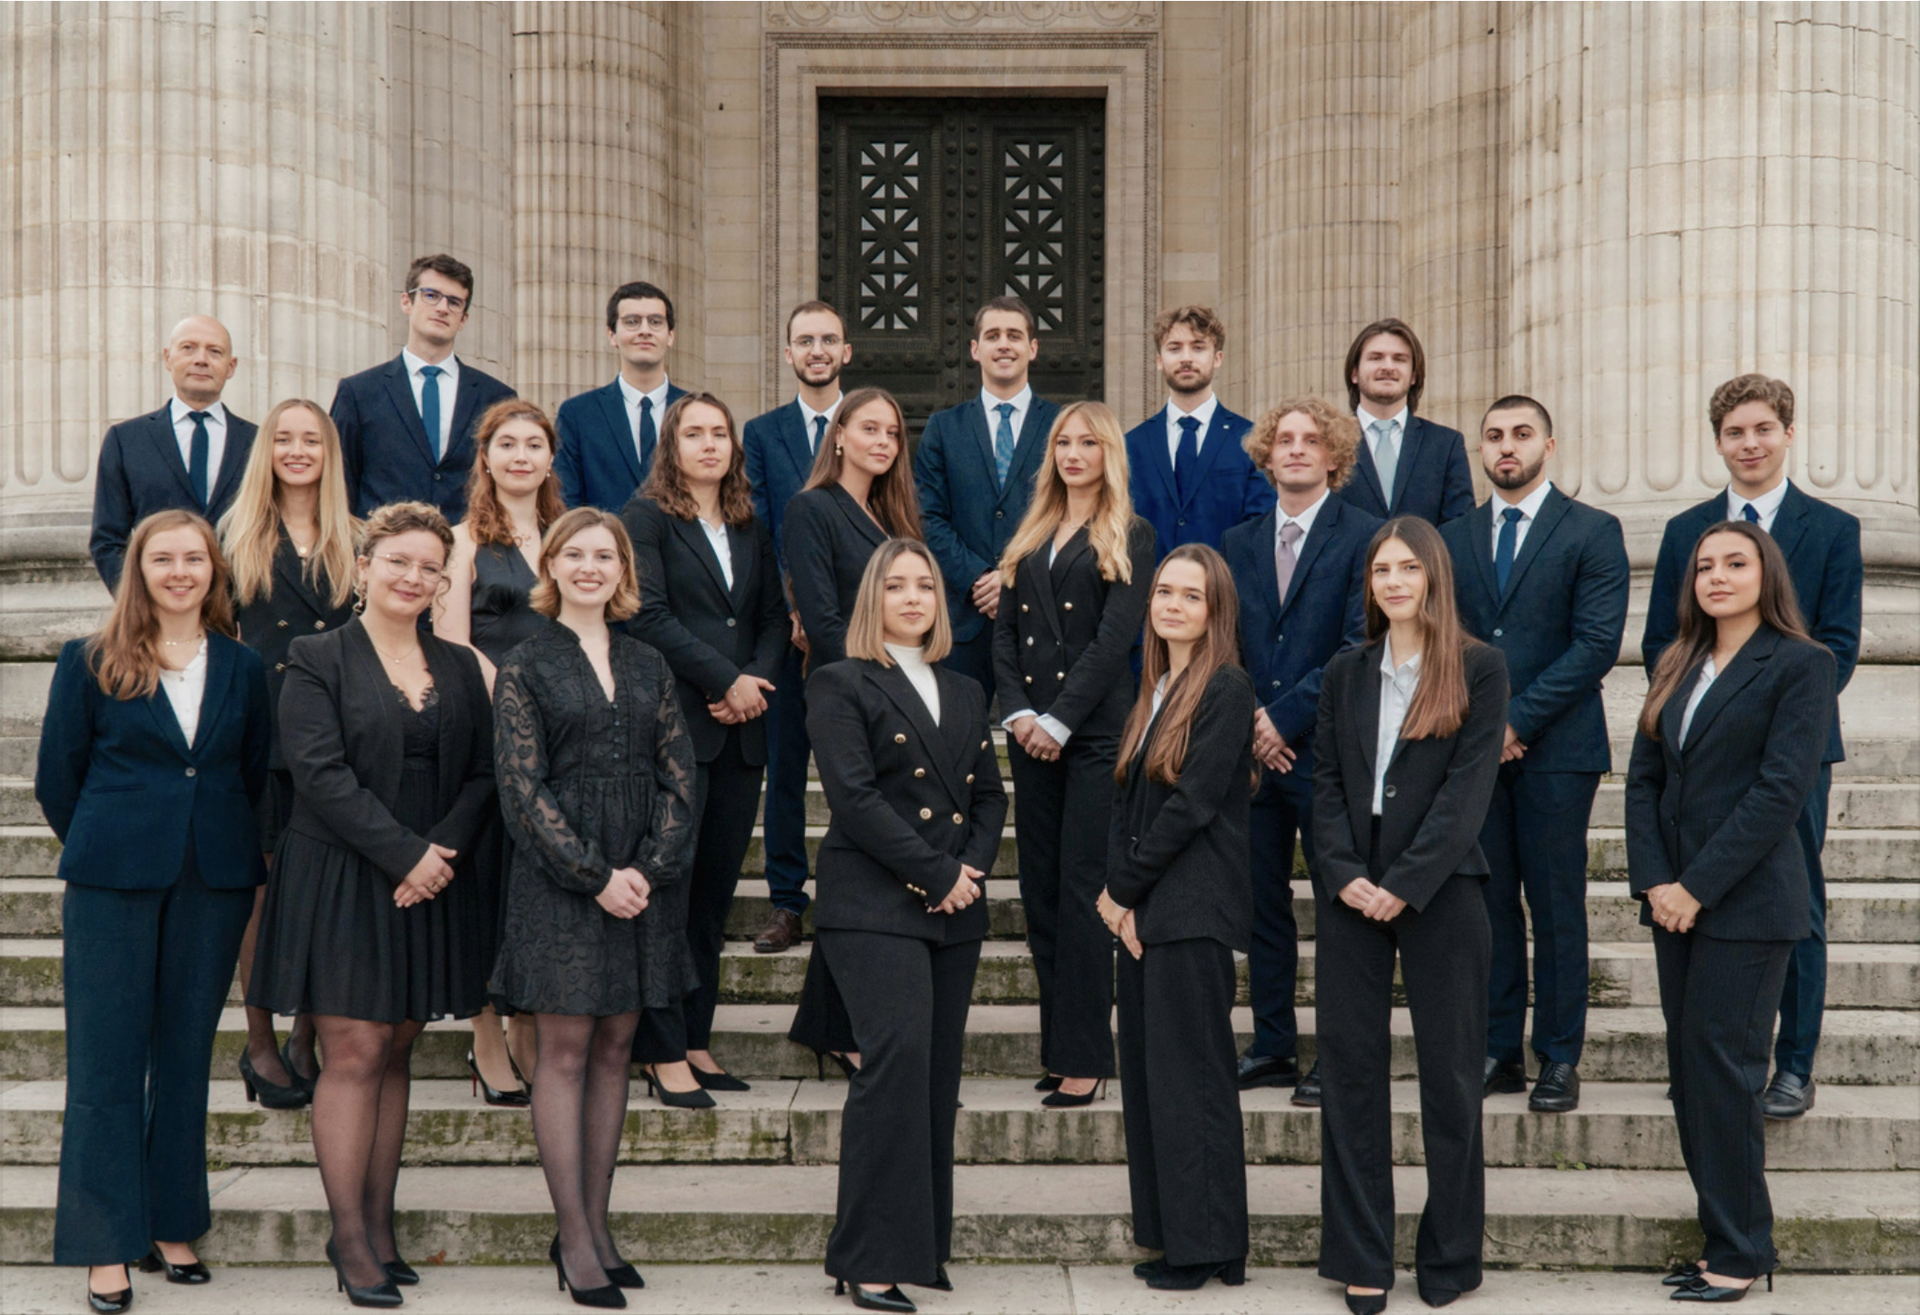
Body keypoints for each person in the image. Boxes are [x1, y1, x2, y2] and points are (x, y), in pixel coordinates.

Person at [247, 502, 498, 1307]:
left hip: (432, 878)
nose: (413, 577)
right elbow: (317, 773)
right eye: (398, 562)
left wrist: (439, 855)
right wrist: (406, 854)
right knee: (355, 1049)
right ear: (364, 567)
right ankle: (349, 1237)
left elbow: (484, 773)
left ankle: (380, 1228)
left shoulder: (459, 664)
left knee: (396, 1049)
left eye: (430, 567)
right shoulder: (316, 656)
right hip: (344, 874)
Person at [37, 509, 271, 1315]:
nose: (179, 571)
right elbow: (58, 778)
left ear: (213, 571)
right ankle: (106, 1241)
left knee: (183, 1056)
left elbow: (252, 772)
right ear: (138, 569)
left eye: (193, 558)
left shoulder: (243, 665)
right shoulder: (90, 660)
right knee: (105, 1063)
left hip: (213, 881)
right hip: (113, 882)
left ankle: (173, 1220)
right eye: (162, 558)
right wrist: (115, 842)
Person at [490, 508, 699, 1309]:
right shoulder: (525, 663)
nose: (589, 566)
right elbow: (521, 788)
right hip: (561, 879)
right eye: (574, 553)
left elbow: (679, 774)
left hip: (641, 882)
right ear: (550, 565)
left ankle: (598, 1227)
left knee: (617, 1048)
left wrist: (646, 867)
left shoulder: (649, 660)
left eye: (604, 555)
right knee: (567, 1050)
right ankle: (573, 1236)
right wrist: (594, 873)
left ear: (622, 570)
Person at [1641, 374, 1861, 1122]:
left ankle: (1793, 1063)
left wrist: (1771, 715)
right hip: (1697, 751)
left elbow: (1838, 645)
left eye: (1763, 428)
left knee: (1793, 900)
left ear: (1788, 434)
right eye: (1735, 432)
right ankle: (1711, 1055)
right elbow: (1662, 642)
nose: (1750, 443)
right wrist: (1700, 718)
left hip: (1791, 750)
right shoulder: (1686, 532)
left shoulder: (1832, 529)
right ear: (1718, 442)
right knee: (1700, 888)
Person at [1627, 521, 1835, 1302]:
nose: (1716, 575)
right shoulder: (1677, 662)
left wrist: (1696, 886)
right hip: (1673, 904)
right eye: (1704, 565)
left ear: (1765, 573)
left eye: (1735, 563)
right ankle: (1724, 1236)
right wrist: (1656, 881)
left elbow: (1780, 791)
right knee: (1691, 1076)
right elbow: (1644, 779)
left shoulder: (1802, 664)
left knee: (1724, 1074)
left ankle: (1744, 1251)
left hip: (1748, 904)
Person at [1310, 517, 1507, 1313]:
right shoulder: (1345, 670)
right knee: (1349, 1074)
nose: (1393, 582)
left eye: (1408, 568)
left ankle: (1451, 1252)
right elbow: (1325, 782)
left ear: (1434, 577)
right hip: (1351, 892)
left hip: (1443, 889)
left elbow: (1468, 789)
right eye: (1381, 570)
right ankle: (1361, 1254)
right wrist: (1343, 872)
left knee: (1451, 1076)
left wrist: (1408, 880)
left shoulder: (1479, 666)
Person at [808, 539, 1007, 1313]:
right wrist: (938, 873)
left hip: (953, 903)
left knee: (935, 1077)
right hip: (872, 900)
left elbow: (988, 796)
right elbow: (854, 799)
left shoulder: (965, 687)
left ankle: (916, 1248)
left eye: (926, 584)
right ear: (873, 598)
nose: (915, 596)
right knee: (894, 1065)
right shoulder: (839, 680)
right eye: (896, 585)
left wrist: (969, 872)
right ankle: (867, 1258)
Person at [1439, 395, 1629, 1115]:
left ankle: (1558, 1055)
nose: (1506, 446)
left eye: (1521, 434)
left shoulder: (1593, 530)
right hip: (1475, 753)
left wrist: (1515, 720)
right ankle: (1498, 1049)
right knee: (1487, 905)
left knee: (1555, 906)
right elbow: (1444, 639)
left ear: (1549, 445)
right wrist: (1486, 728)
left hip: (1559, 750)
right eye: (1494, 436)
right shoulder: (1452, 537)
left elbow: (1596, 644)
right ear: (1481, 450)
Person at [1095, 545, 1255, 1292]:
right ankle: (1178, 1235)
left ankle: (1207, 1247)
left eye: (1192, 595)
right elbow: (1127, 804)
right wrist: (1124, 899)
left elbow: (1191, 805)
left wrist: (1121, 891)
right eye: (1164, 591)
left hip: (1192, 910)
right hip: (1150, 910)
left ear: (1215, 609)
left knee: (1192, 1081)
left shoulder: (1225, 686)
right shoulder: (1156, 687)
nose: (1173, 605)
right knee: (1152, 1082)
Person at [624, 394, 788, 1101]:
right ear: (673, 445)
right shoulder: (646, 519)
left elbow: (774, 617)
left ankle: (696, 1040)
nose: (710, 444)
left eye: (720, 433)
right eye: (694, 433)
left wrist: (754, 682)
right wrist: (727, 679)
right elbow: (647, 615)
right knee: (670, 895)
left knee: (713, 900)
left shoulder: (750, 524)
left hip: (740, 735)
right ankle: (660, 1051)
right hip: (675, 731)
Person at [992, 401, 1153, 1106]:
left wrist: (1059, 720)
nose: (1074, 453)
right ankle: (1058, 1047)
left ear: (1108, 453)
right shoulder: (1030, 531)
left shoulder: (1131, 533)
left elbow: (1115, 640)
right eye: (1064, 441)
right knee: (1040, 892)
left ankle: (1086, 1056)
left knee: (1085, 891)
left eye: (1088, 442)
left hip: (1092, 736)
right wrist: (1020, 712)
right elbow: (1003, 634)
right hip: (1031, 733)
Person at [1220, 398, 1379, 1107]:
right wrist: (1253, 724)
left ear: (1333, 457)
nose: (1294, 449)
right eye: (1283, 440)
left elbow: (1358, 644)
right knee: (1261, 905)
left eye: (1310, 440)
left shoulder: (1364, 537)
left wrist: (1283, 721)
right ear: (1266, 455)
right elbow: (1223, 642)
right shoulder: (1238, 541)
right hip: (1254, 759)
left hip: (1328, 754)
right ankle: (1273, 1045)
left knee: (1339, 908)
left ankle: (1337, 1056)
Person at [220, 399, 362, 1109]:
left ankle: (308, 1033)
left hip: (336, 741)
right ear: (267, 451)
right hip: (261, 737)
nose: (298, 450)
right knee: (261, 894)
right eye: (284, 438)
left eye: (312, 439)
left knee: (322, 894)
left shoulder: (356, 538)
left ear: (330, 452)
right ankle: (260, 1043)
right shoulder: (235, 535)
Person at [782, 387, 925, 1072]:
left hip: (898, 695)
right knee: (855, 844)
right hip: (848, 697)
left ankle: (829, 1020)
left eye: (892, 432)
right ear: (837, 434)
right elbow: (822, 617)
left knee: (869, 851)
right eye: (869, 428)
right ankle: (835, 1025)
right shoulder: (812, 509)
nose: (882, 442)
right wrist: (884, 686)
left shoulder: (893, 515)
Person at [437, 397, 567, 1105]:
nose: (521, 455)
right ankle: (486, 1036)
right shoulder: (460, 543)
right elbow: (454, 645)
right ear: (485, 459)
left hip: (563, 738)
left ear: (550, 459)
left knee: (536, 887)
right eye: (507, 444)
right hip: (490, 733)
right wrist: (518, 701)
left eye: (534, 445)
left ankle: (526, 1028)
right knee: (486, 886)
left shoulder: (567, 539)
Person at [742, 300, 851, 953]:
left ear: (846, 352)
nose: (817, 350)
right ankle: (787, 902)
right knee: (784, 771)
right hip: (786, 633)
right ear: (788, 354)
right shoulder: (762, 432)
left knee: (854, 770)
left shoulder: (868, 423)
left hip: (856, 631)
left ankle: (848, 897)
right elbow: (759, 524)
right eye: (805, 340)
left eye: (828, 340)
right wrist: (794, 608)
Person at [913, 296, 1061, 690]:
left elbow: (1070, 515)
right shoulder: (943, 428)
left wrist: (1014, 578)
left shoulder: (1063, 425)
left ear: (1032, 348)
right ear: (975, 350)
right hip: (963, 617)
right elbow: (927, 517)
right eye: (993, 336)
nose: (1004, 345)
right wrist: (978, 577)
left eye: (1014, 335)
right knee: (956, 727)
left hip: (1041, 614)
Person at [331, 253, 516, 521]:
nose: (442, 308)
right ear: (406, 302)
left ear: (463, 318)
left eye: (454, 302)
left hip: (470, 542)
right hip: (383, 541)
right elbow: (340, 482)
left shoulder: (497, 398)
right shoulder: (358, 392)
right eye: (431, 295)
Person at [91, 316, 258, 590]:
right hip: (158, 604)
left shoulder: (258, 442)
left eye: (214, 351)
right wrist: (140, 602)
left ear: (231, 366)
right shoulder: (126, 440)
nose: (201, 359)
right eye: (188, 348)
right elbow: (107, 540)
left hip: (241, 608)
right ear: (168, 358)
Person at [1123, 306, 1273, 560]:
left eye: (1198, 347)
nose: (1186, 358)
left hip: (1225, 581)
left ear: (1218, 358)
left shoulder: (1251, 439)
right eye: (1174, 348)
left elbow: (1260, 526)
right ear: (1159, 361)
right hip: (1151, 583)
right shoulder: (1131, 444)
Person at [555, 281, 690, 511]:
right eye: (632, 322)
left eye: (655, 322)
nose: (644, 330)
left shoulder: (696, 411)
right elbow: (567, 503)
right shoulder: (578, 414)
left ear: (670, 336)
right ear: (612, 335)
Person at [1332, 318, 1474, 528]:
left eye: (1399, 359)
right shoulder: (1329, 442)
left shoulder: (1446, 444)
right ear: (1354, 373)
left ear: (1414, 375)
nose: (1388, 367)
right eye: (1376, 358)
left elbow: (1459, 527)